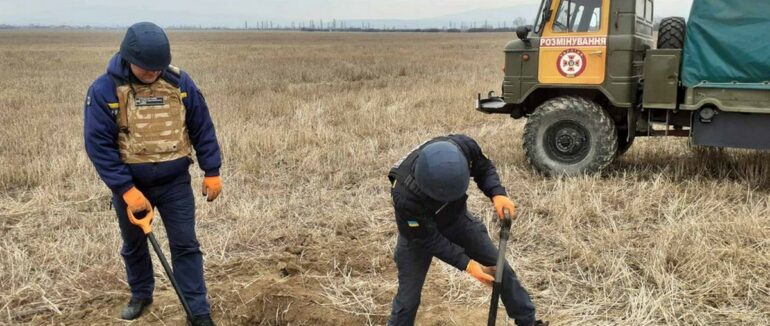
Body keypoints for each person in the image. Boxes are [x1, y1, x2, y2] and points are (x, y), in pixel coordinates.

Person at [83, 22, 221, 326]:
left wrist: (212, 169)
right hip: (133, 186)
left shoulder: (180, 83)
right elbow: (98, 145)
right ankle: (141, 294)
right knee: (134, 246)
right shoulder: (104, 89)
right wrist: (126, 189)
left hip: (175, 184)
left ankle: (197, 310)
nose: (153, 74)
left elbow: (202, 127)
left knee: (186, 245)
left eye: (158, 68)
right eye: (146, 69)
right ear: (128, 58)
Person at [387, 134, 547, 326]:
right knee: (407, 300)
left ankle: (528, 322)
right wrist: (468, 265)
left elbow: (483, 168)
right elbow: (429, 240)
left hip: (457, 220)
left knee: (502, 270)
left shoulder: (464, 147)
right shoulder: (404, 195)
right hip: (418, 237)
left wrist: (497, 193)